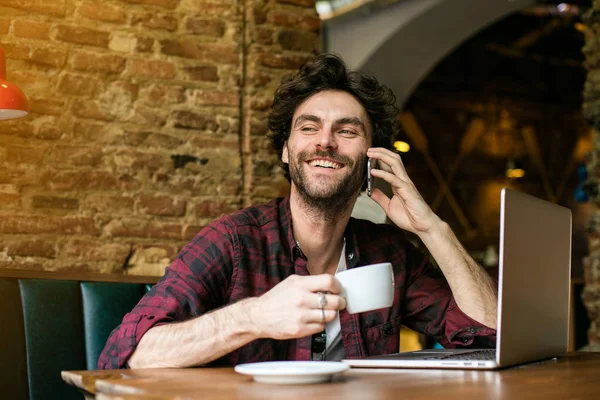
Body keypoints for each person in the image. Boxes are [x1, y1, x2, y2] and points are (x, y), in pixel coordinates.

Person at [98, 53, 497, 369]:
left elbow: (490, 334)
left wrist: (433, 229)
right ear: (287, 151)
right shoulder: (235, 241)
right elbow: (126, 353)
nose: (325, 142)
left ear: (372, 158)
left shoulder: (388, 253)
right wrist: (251, 317)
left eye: (347, 131)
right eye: (308, 128)